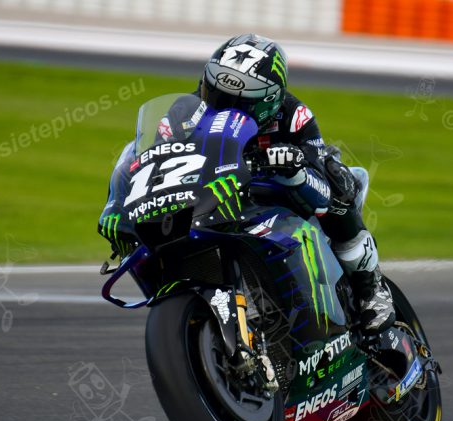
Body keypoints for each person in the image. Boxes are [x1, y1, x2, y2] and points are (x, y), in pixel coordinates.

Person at [99, 34, 395, 333]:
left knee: (339, 184)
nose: (223, 106)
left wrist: (295, 168)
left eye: (239, 102)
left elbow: (318, 175)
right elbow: (150, 160)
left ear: (269, 101)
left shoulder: (294, 116)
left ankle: (371, 290)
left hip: (279, 190)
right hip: (218, 195)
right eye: (215, 93)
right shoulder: (181, 112)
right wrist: (117, 203)